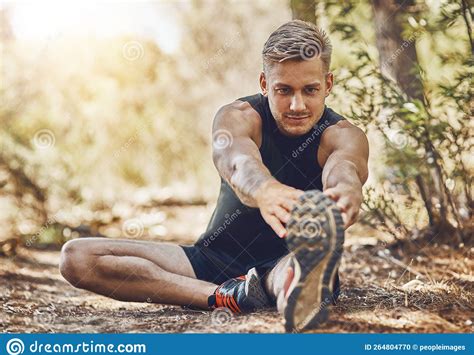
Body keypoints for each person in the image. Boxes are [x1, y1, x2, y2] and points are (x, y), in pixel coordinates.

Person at [59, 19, 369, 332]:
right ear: (264, 83)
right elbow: (237, 161)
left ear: (328, 84)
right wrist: (264, 190)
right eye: (283, 90)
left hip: (286, 261)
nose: (297, 104)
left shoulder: (343, 135)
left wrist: (346, 193)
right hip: (212, 260)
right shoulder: (237, 117)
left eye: (311, 90)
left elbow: (345, 169)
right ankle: (226, 296)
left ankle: (293, 289)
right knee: (77, 257)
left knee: (299, 274)